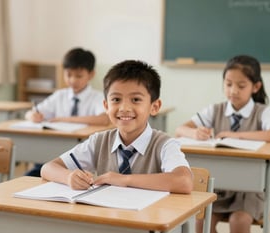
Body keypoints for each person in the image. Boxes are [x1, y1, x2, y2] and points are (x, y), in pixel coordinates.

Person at [41, 60, 193, 195]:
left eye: (135, 99)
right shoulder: (99, 141)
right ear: (106, 106)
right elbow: (48, 168)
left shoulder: (164, 144)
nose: (124, 108)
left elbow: (184, 181)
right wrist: (69, 177)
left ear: (154, 106)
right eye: (116, 99)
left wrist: (125, 180)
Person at [175, 55, 270, 233]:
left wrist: (235, 136)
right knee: (201, 221)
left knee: (239, 221)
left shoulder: (262, 112)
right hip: (220, 189)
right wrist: (195, 132)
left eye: (241, 86)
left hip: (251, 192)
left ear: (256, 87)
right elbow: (180, 129)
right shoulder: (215, 110)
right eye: (228, 84)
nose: (233, 91)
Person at [24, 47, 110, 177]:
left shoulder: (97, 97)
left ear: (91, 74)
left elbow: (103, 119)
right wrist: (33, 115)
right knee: (30, 177)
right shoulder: (59, 95)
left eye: (79, 76)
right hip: (50, 155)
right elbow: (31, 113)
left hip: (80, 162)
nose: (73, 80)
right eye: (68, 75)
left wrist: (64, 119)